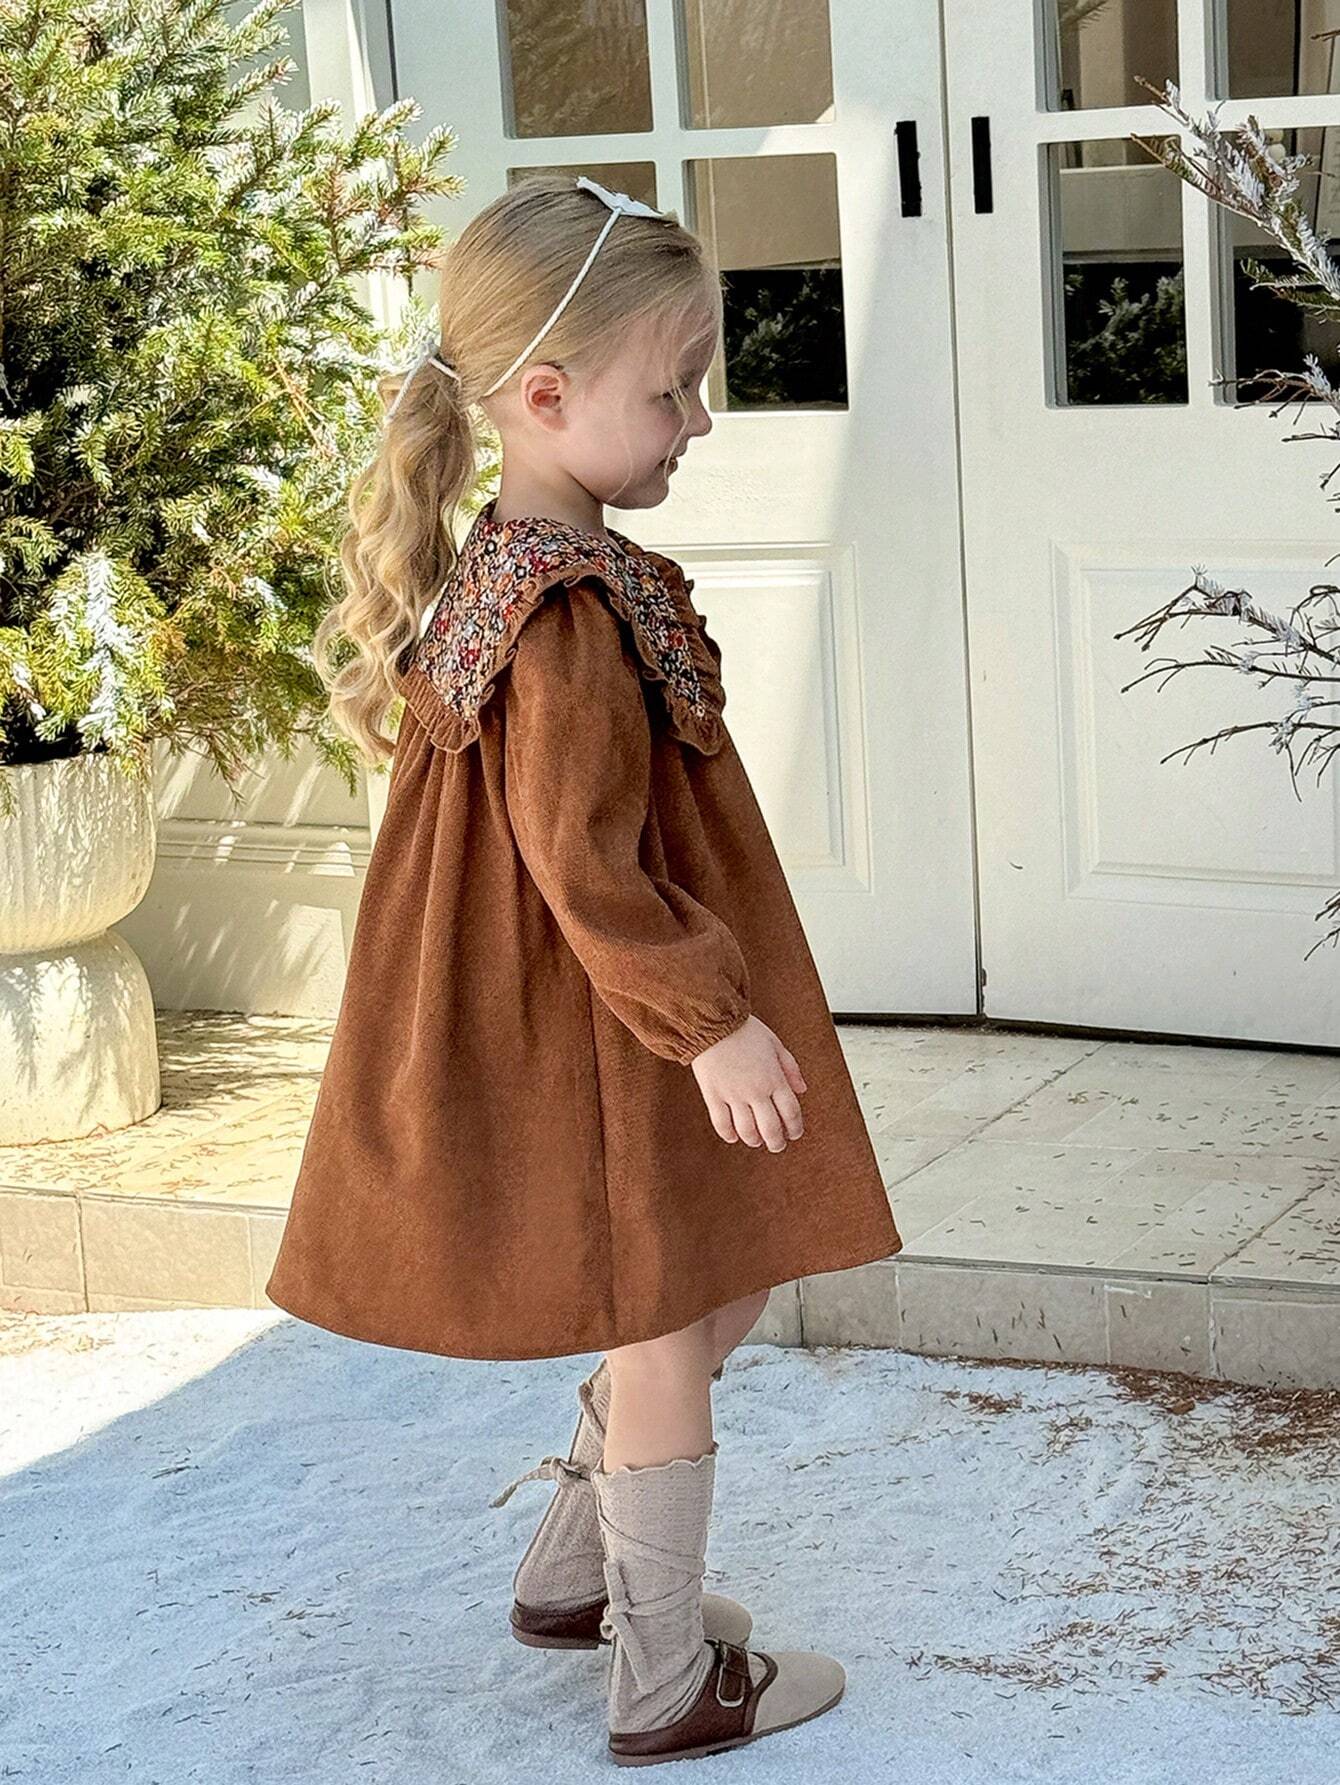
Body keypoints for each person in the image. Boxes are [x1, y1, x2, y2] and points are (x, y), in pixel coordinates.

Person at [264, 172, 904, 1766]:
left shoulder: (543, 558)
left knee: (727, 1266)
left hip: (611, 1006)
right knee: (671, 1308)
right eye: (672, 389)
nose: (699, 420)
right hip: (611, 1019)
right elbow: (581, 865)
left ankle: (578, 1572)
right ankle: (667, 1673)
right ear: (544, 398)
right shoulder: (555, 610)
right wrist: (711, 1022)